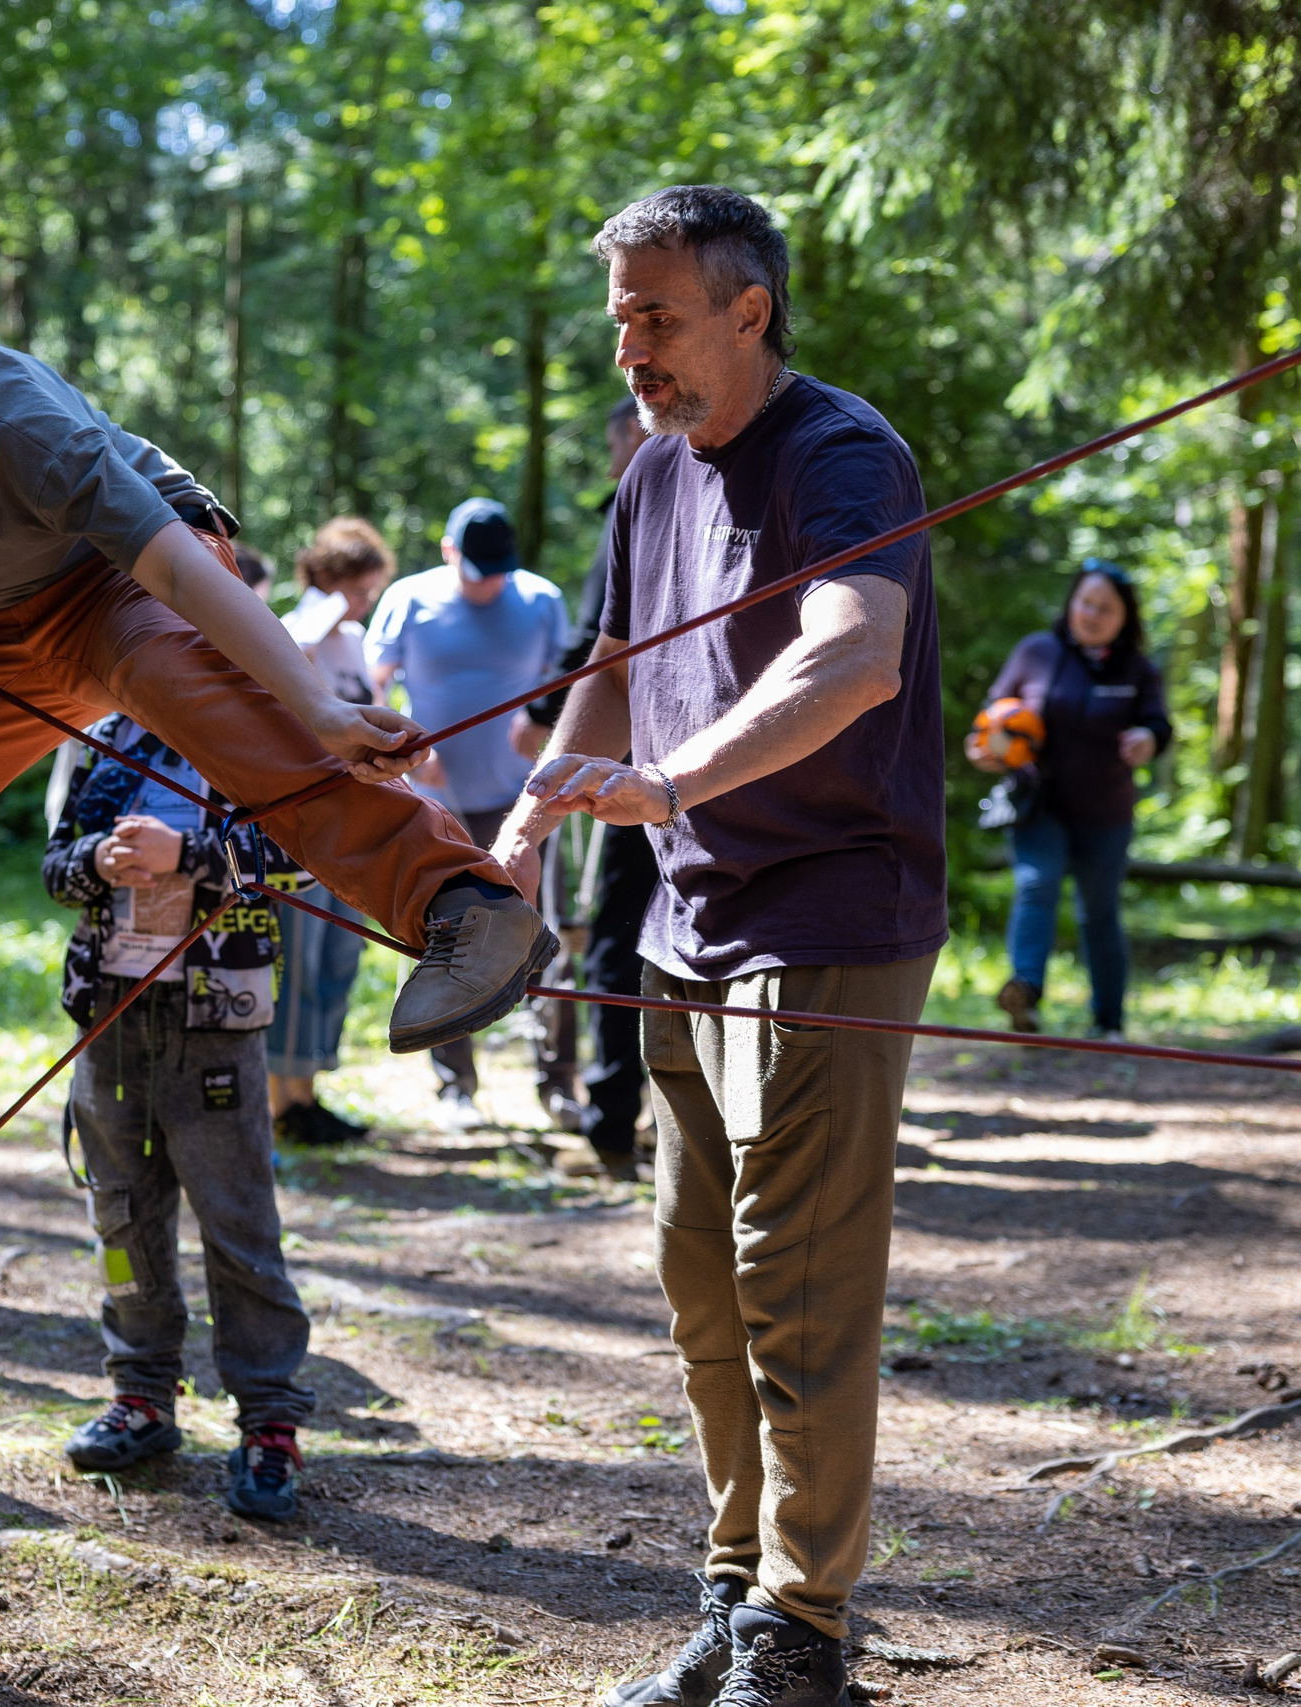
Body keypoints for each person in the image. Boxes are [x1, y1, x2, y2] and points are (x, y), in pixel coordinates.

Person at [0, 202, 551, 1259]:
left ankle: (465, 906)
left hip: (123, 572)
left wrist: (314, 702)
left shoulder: (22, 423)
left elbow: (169, 563)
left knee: (246, 732)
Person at [494, 186, 947, 1707]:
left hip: (828, 915)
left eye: (658, 314)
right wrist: (535, 818)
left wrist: (678, 781)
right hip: (684, 924)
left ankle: (803, 1633)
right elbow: (619, 669)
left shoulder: (838, 453)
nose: (632, 345)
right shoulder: (652, 479)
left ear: (749, 310)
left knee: (797, 1276)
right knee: (701, 1277)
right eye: (618, 315)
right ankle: (739, 1585)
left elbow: (853, 655)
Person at [42, 698, 312, 1523]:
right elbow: (56, 867)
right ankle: (142, 1394)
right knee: (121, 1217)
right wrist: (100, 858)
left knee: (237, 1223)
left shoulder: (259, 730)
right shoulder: (104, 734)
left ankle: (269, 1422)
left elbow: (303, 855)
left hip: (215, 1024)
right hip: (111, 1017)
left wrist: (187, 853)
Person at [364, 497, 568, 1127]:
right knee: (450, 940)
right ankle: (456, 1087)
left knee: (541, 934)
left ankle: (557, 1084)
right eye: (476, 568)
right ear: (449, 551)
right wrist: (409, 749)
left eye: (498, 569)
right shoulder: (409, 597)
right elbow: (374, 682)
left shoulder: (540, 600)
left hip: (527, 804)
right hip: (439, 805)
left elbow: (572, 679)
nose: (489, 582)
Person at [524, 398, 655, 1177]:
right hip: (672, 757)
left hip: (645, 764)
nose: (611, 459)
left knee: (617, 934)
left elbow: (600, 642)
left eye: (615, 443)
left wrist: (543, 714)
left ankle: (611, 1118)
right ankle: (632, 1119)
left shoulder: (640, 502)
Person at [971, 560, 1169, 1040]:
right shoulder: (1037, 652)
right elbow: (992, 717)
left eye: (1105, 608)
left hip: (1106, 812)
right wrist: (986, 748)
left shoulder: (1138, 669)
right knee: (1035, 887)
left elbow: (1159, 726)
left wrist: (1146, 738)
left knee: (1098, 911)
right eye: (1085, 602)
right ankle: (1026, 996)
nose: (1092, 614)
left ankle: (1108, 1022)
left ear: (1126, 617)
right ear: (1071, 603)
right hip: (1040, 804)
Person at [266, 517, 394, 1146]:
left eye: (370, 593)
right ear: (331, 578)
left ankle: (307, 1089)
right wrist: (324, 612)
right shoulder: (295, 629)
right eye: (359, 589)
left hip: (355, 822)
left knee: (336, 961)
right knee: (298, 962)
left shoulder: (355, 638)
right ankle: (279, 1102)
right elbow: (293, 673)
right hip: (305, 824)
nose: (363, 603)